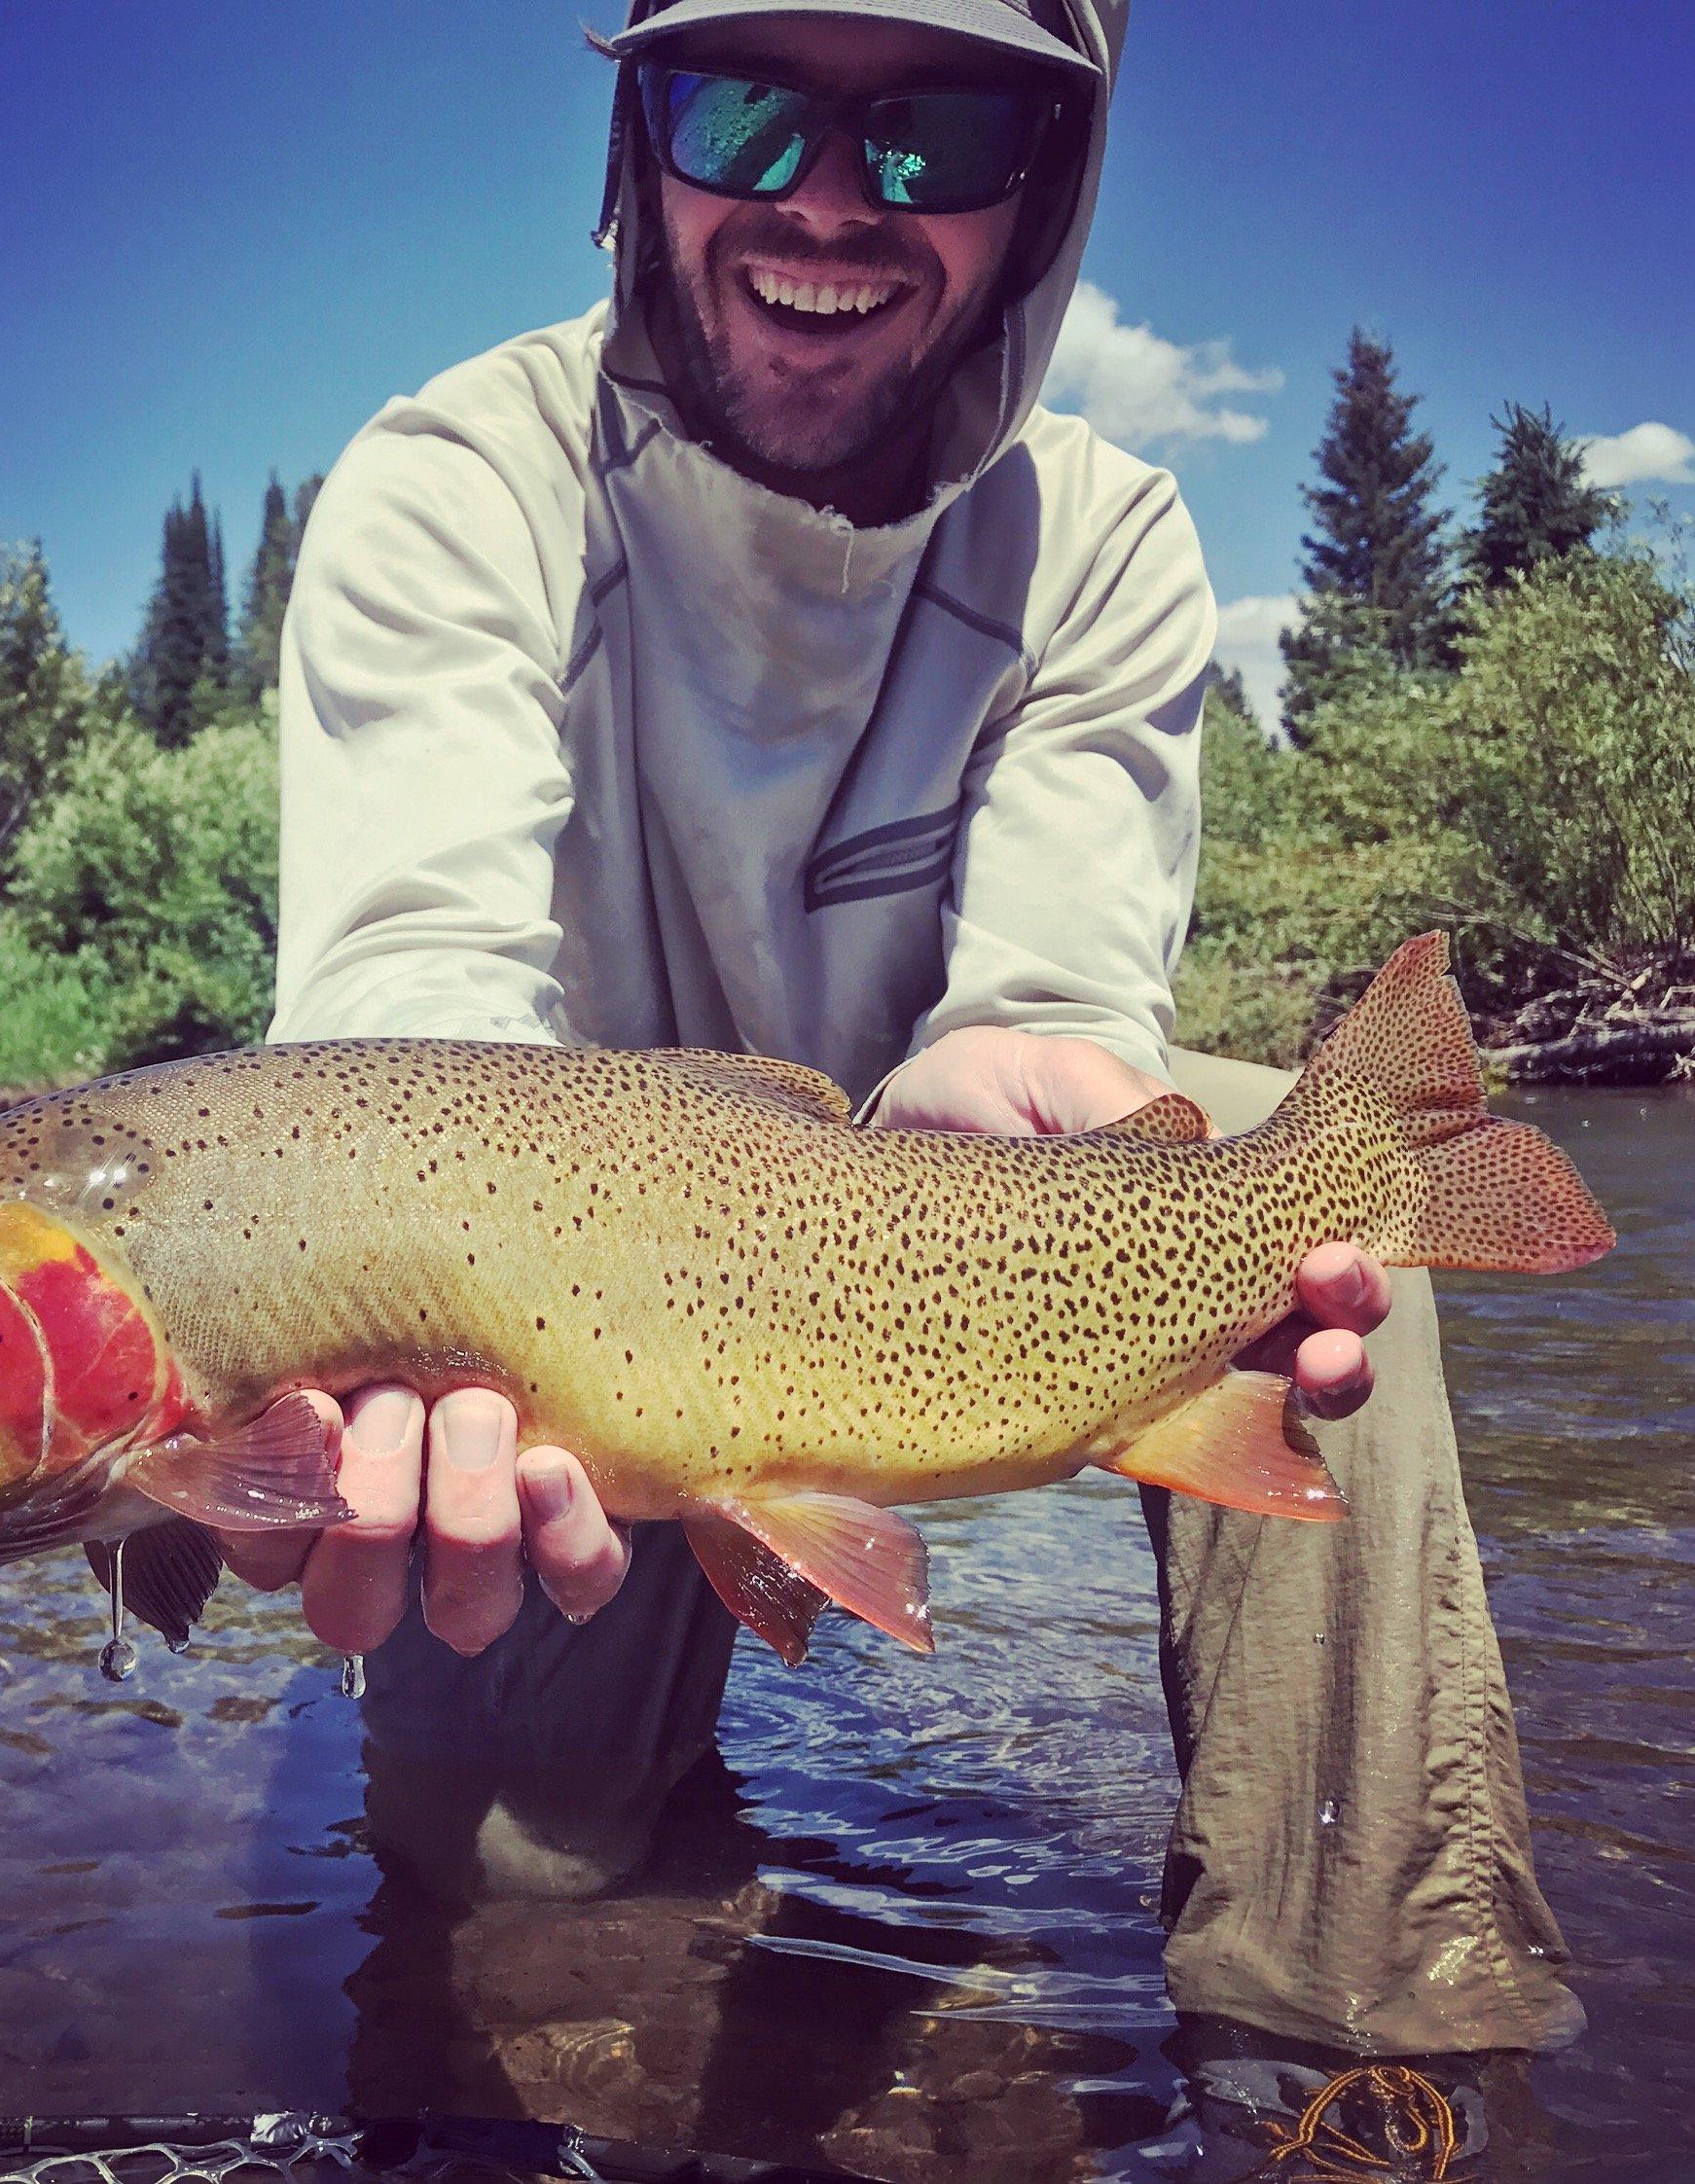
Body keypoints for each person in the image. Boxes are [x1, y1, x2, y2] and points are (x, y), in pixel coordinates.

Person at [236, 0, 1582, 2084]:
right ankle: (794, 2067)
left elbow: (1051, 998)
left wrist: (1027, 1072)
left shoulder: (1104, 537)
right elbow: (396, 1028)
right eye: (743, 108)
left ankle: (1362, 2048)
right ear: (634, 142)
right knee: (508, 1905)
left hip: (930, 1221)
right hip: (558, 1294)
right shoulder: (454, 485)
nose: (833, 204)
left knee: (1307, 1220)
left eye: (943, 131)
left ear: (1047, 183)